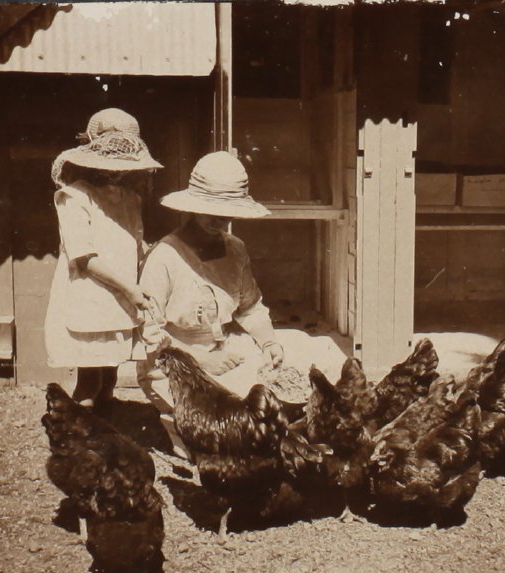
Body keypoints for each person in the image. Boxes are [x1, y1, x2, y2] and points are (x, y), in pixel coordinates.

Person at [137, 151, 346, 459]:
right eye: (212, 211)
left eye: (227, 213)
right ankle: (186, 431)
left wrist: (269, 342)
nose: (220, 220)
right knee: (235, 411)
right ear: (192, 208)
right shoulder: (165, 256)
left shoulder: (235, 249)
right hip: (174, 364)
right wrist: (200, 362)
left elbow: (250, 307)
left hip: (224, 348)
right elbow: (148, 333)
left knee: (310, 349)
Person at [44, 108, 162, 409]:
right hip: (91, 295)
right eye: (107, 163)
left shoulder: (130, 199)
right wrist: (129, 288)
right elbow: (84, 257)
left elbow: (133, 243)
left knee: (110, 373)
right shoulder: (75, 196)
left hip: (121, 298)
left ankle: (104, 431)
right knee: (90, 379)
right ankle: (77, 437)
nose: (115, 171)